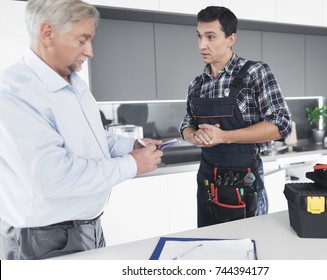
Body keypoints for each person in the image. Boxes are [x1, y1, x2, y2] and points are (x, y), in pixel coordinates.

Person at [0, 0, 163, 260]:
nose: (90, 52)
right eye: (82, 40)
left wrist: (130, 147)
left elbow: (94, 139)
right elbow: (53, 177)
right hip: (43, 239)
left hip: (87, 229)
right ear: (47, 33)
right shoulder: (14, 92)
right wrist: (132, 165)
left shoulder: (74, 84)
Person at [180, 6, 292, 227]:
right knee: (209, 244)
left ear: (231, 38)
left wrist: (224, 136)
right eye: (199, 36)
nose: (202, 45)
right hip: (207, 177)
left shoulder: (255, 73)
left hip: (244, 179)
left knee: (251, 243)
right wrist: (193, 136)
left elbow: (282, 125)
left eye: (211, 37)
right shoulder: (197, 84)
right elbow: (186, 124)